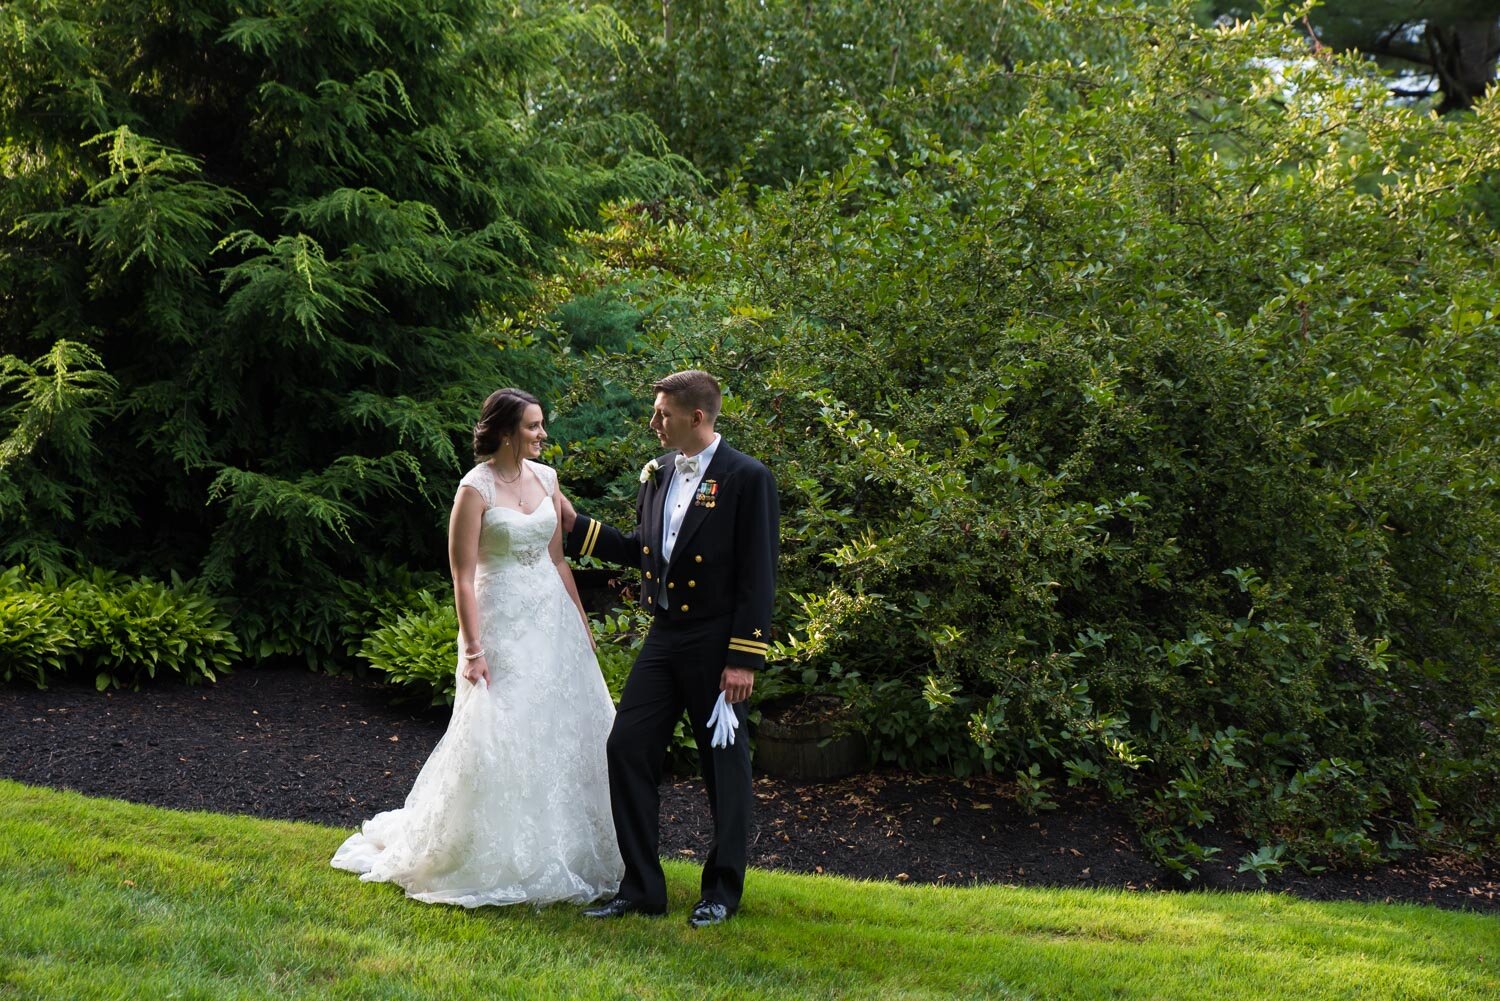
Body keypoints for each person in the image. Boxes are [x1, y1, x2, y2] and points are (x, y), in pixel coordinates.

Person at [330, 388, 622, 907]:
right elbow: (462, 575)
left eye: (541, 425)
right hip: (501, 622)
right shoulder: (475, 488)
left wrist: (580, 620)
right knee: (503, 729)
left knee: (561, 728)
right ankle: (491, 852)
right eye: (533, 426)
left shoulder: (548, 480)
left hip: (551, 620)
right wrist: (472, 647)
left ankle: (568, 851)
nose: (542, 435)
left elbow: (558, 560)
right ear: (507, 431)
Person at [561, 370, 778, 928]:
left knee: (722, 768)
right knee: (627, 748)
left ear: (696, 418)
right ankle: (642, 890)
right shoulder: (657, 473)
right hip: (665, 636)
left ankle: (722, 892)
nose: (654, 423)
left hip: (717, 643)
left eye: (662, 413)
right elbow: (644, 550)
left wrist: (743, 658)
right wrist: (577, 526)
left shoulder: (747, 477)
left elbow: (759, 574)